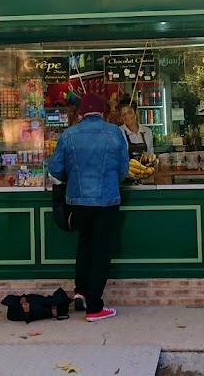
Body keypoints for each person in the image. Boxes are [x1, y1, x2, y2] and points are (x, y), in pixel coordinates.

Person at [46, 92, 129, 322]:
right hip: (106, 201)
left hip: (77, 202)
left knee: (84, 246)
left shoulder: (69, 134)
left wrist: (72, 178)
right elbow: (123, 168)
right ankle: (94, 308)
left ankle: (81, 292)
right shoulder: (114, 133)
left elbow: (54, 168)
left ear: (81, 113)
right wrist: (111, 182)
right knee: (101, 253)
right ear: (103, 112)